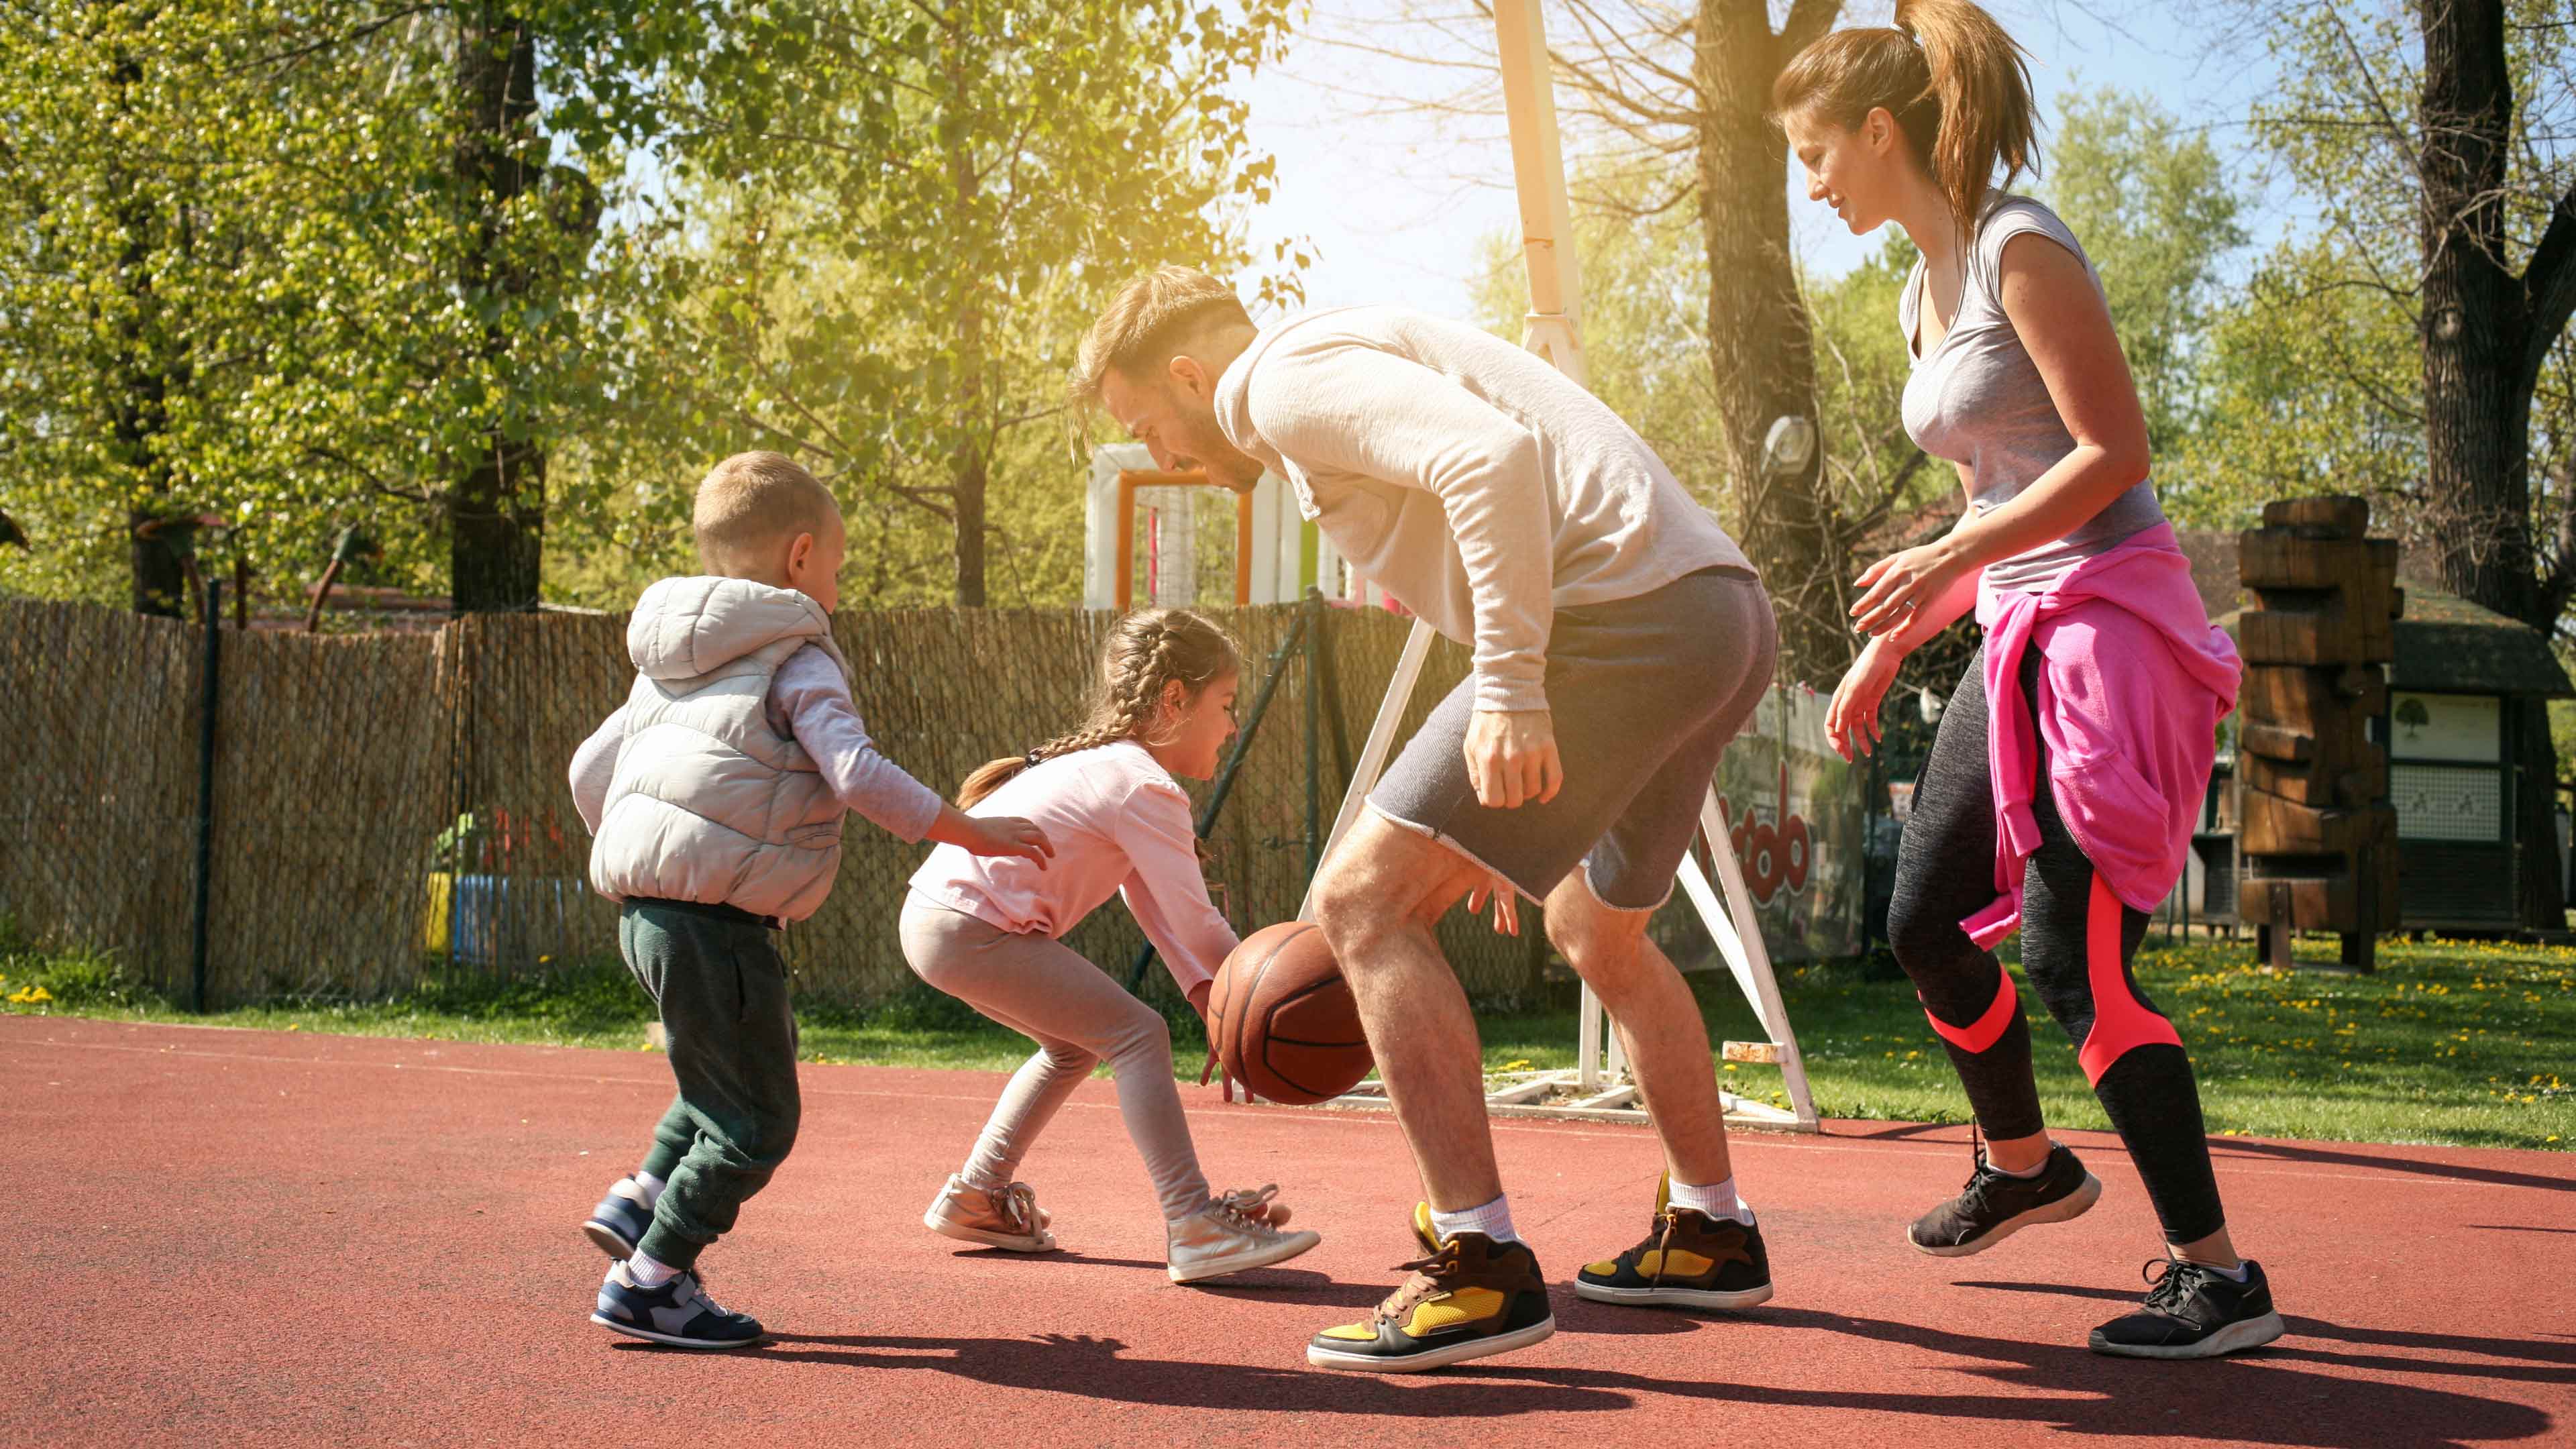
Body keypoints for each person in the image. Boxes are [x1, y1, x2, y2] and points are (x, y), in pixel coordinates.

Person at [1075, 268, 1778, 1373]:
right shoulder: (1348, 348)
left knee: (1359, 902)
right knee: (1597, 931)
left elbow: (1488, 461)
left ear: (1189, 374)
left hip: (1622, 618)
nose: (1163, 458)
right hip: (1717, 612)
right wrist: (1516, 798)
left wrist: (1510, 690)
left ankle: (1480, 1264)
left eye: (1150, 426)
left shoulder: (1276, 382)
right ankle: (1713, 1230)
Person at [1778, 0, 2282, 1360]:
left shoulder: (2019, 243)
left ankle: (2221, 1275)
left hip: (2108, 631)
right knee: (1924, 920)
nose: (1813, 184)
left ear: (1882, 131)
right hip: (2010, 631)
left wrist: (1953, 550)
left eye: (1818, 153)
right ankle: (2025, 1166)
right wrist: (1897, 637)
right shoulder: (1917, 291)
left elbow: (2110, 452)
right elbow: (1994, 500)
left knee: (2071, 955)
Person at [569, 450, 1053, 1349]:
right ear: (799, 559)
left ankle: (640, 1200)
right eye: (836, 566)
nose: (836, 585)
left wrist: (641, 856)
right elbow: (855, 771)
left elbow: (589, 770)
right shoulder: (796, 653)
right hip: (717, 921)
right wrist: (971, 829)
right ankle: (652, 1278)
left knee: (741, 1064)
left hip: (648, 913)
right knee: (758, 1121)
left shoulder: (671, 662)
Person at [900, 607, 1324, 1283]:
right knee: (1137, 1035)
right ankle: (1192, 1224)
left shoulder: (1116, 768)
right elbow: (1198, 922)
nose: (1233, 725)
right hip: (968, 927)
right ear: (1175, 700)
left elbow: (1149, 900)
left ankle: (979, 1196)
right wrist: (1253, 994)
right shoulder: (1144, 785)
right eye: (1225, 703)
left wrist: (1209, 994)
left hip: (940, 920)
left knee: (1074, 1046)